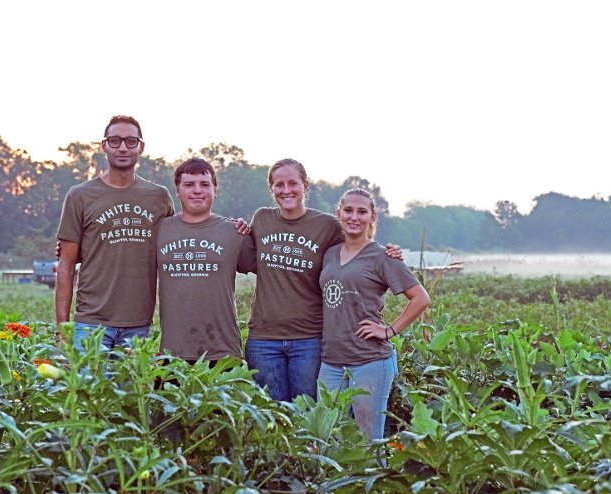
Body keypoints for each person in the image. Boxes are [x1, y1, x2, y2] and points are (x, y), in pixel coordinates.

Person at [244, 158, 401, 402]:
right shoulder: (262, 218)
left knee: (308, 415)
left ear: (305, 186)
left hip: (309, 339)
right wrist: (238, 229)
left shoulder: (327, 225)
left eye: (293, 183)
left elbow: (356, 247)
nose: (287, 190)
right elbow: (246, 257)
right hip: (263, 339)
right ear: (271, 189)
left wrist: (388, 253)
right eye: (279, 185)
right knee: (271, 416)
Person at [55, 115, 175, 353]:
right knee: (87, 391)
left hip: (139, 326)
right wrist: (62, 331)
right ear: (104, 146)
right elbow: (66, 266)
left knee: (135, 392)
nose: (122, 147)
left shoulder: (159, 197)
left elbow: (174, 253)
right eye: (115, 140)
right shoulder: (80, 196)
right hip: (90, 324)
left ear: (141, 147)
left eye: (131, 141)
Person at [318, 188, 430, 441]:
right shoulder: (330, 253)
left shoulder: (382, 256)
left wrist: (389, 330)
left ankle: (374, 480)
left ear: (372, 217)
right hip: (331, 361)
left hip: (369, 360)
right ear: (339, 213)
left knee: (368, 440)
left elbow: (421, 298)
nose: (354, 217)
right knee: (326, 438)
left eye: (361, 211)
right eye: (348, 210)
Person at [156, 158, 255, 363]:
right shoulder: (160, 230)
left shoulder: (234, 232)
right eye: (189, 184)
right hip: (173, 352)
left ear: (215, 189)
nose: (197, 190)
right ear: (177, 190)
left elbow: (274, 272)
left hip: (222, 351)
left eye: (204, 184)